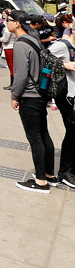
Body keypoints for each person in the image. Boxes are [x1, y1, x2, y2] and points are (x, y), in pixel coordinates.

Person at [9, 12, 57, 193]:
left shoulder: (21, 44)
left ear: (17, 23)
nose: (7, 23)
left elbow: (20, 75)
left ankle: (41, 181)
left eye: (9, 20)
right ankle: (50, 174)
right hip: (41, 93)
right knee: (44, 134)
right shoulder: (34, 40)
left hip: (29, 96)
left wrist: (14, 96)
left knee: (35, 137)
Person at [48, 30, 75, 188]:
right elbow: (43, 57)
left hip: (73, 94)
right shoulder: (62, 45)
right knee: (72, 131)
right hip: (66, 94)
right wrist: (64, 64)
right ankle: (65, 171)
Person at [1, 10, 18, 90]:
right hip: (14, 46)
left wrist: (0, 39)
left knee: (11, 66)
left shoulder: (8, 30)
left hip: (9, 48)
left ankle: (12, 84)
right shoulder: (16, 28)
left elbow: (5, 39)